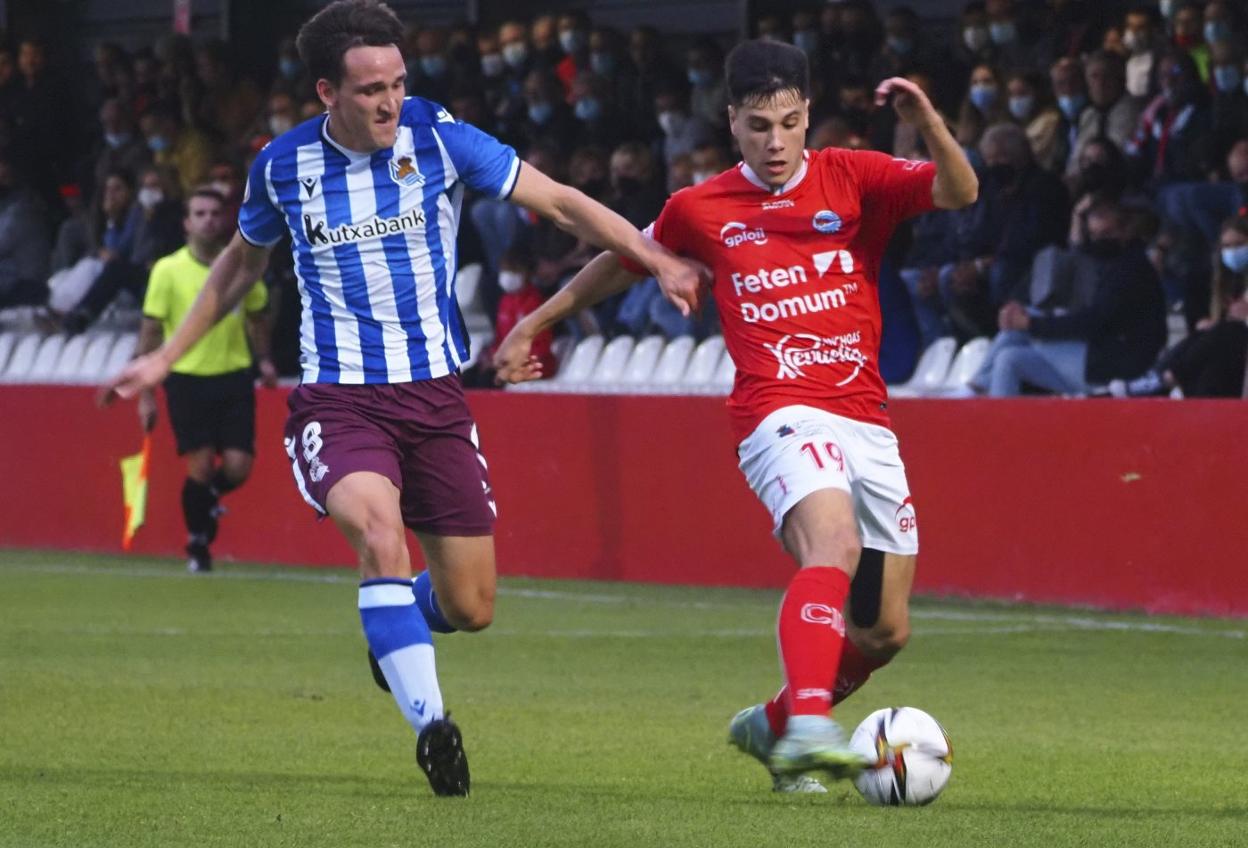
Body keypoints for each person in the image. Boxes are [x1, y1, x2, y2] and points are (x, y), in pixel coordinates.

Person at [100, 0, 705, 799]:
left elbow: (558, 200)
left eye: (396, 83)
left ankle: (396, 633)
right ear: (327, 93)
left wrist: (653, 255)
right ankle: (434, 728)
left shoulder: (438, 135)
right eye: (369, 90)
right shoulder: (282, 167)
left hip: (436, 400)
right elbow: (240, 269)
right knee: (380, 537)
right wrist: (164, 357)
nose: (388, 102)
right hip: (340, 400)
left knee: (472, 604)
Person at [494, 39, 977, 792]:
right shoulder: (701, 206)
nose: (776, 142)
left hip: (866, 419)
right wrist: (536, 324)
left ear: (808, 114)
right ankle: (810, 730)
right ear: (731, 122)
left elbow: (959, 193)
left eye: (788, 122)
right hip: (777, 411)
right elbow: (619, 262)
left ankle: (775, 723)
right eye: (758, 126)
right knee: (834, 543)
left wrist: (929, 124)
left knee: (885, 630)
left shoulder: (854, 176)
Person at [133, 187, 275, 572]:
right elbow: (150, 332)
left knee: (237, 465)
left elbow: (258, 314)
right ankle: (198, 543)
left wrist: (263, 360)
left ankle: (207, 499)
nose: (208, 219)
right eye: (200, 213)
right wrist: (145, 394)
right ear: (186, 222)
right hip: (186, 378)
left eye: (215, 213)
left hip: (233, 374)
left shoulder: (243, 266)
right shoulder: (167, 270)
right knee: (198, 465)